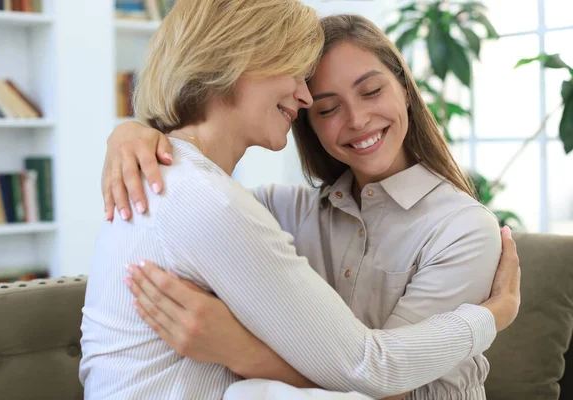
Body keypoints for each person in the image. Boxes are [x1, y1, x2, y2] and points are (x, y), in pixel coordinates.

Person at [89, 3, 521, 400]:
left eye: (371, 91)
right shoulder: (245, 207)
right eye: (326, 108)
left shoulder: (463, 227)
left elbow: (384, 381)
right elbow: (368, 368)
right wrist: (132, 131)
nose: (305, 97)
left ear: (405, 88)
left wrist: (242, 350)